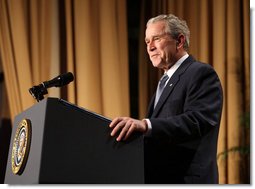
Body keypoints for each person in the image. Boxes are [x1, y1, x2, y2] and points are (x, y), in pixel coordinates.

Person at [109, 14, 223, 184]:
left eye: (156, 39)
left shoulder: (200, 73)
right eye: (147, 42)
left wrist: (146, 124)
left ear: (179, 41)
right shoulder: (164, 81)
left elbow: (197, 121)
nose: (150, 47)